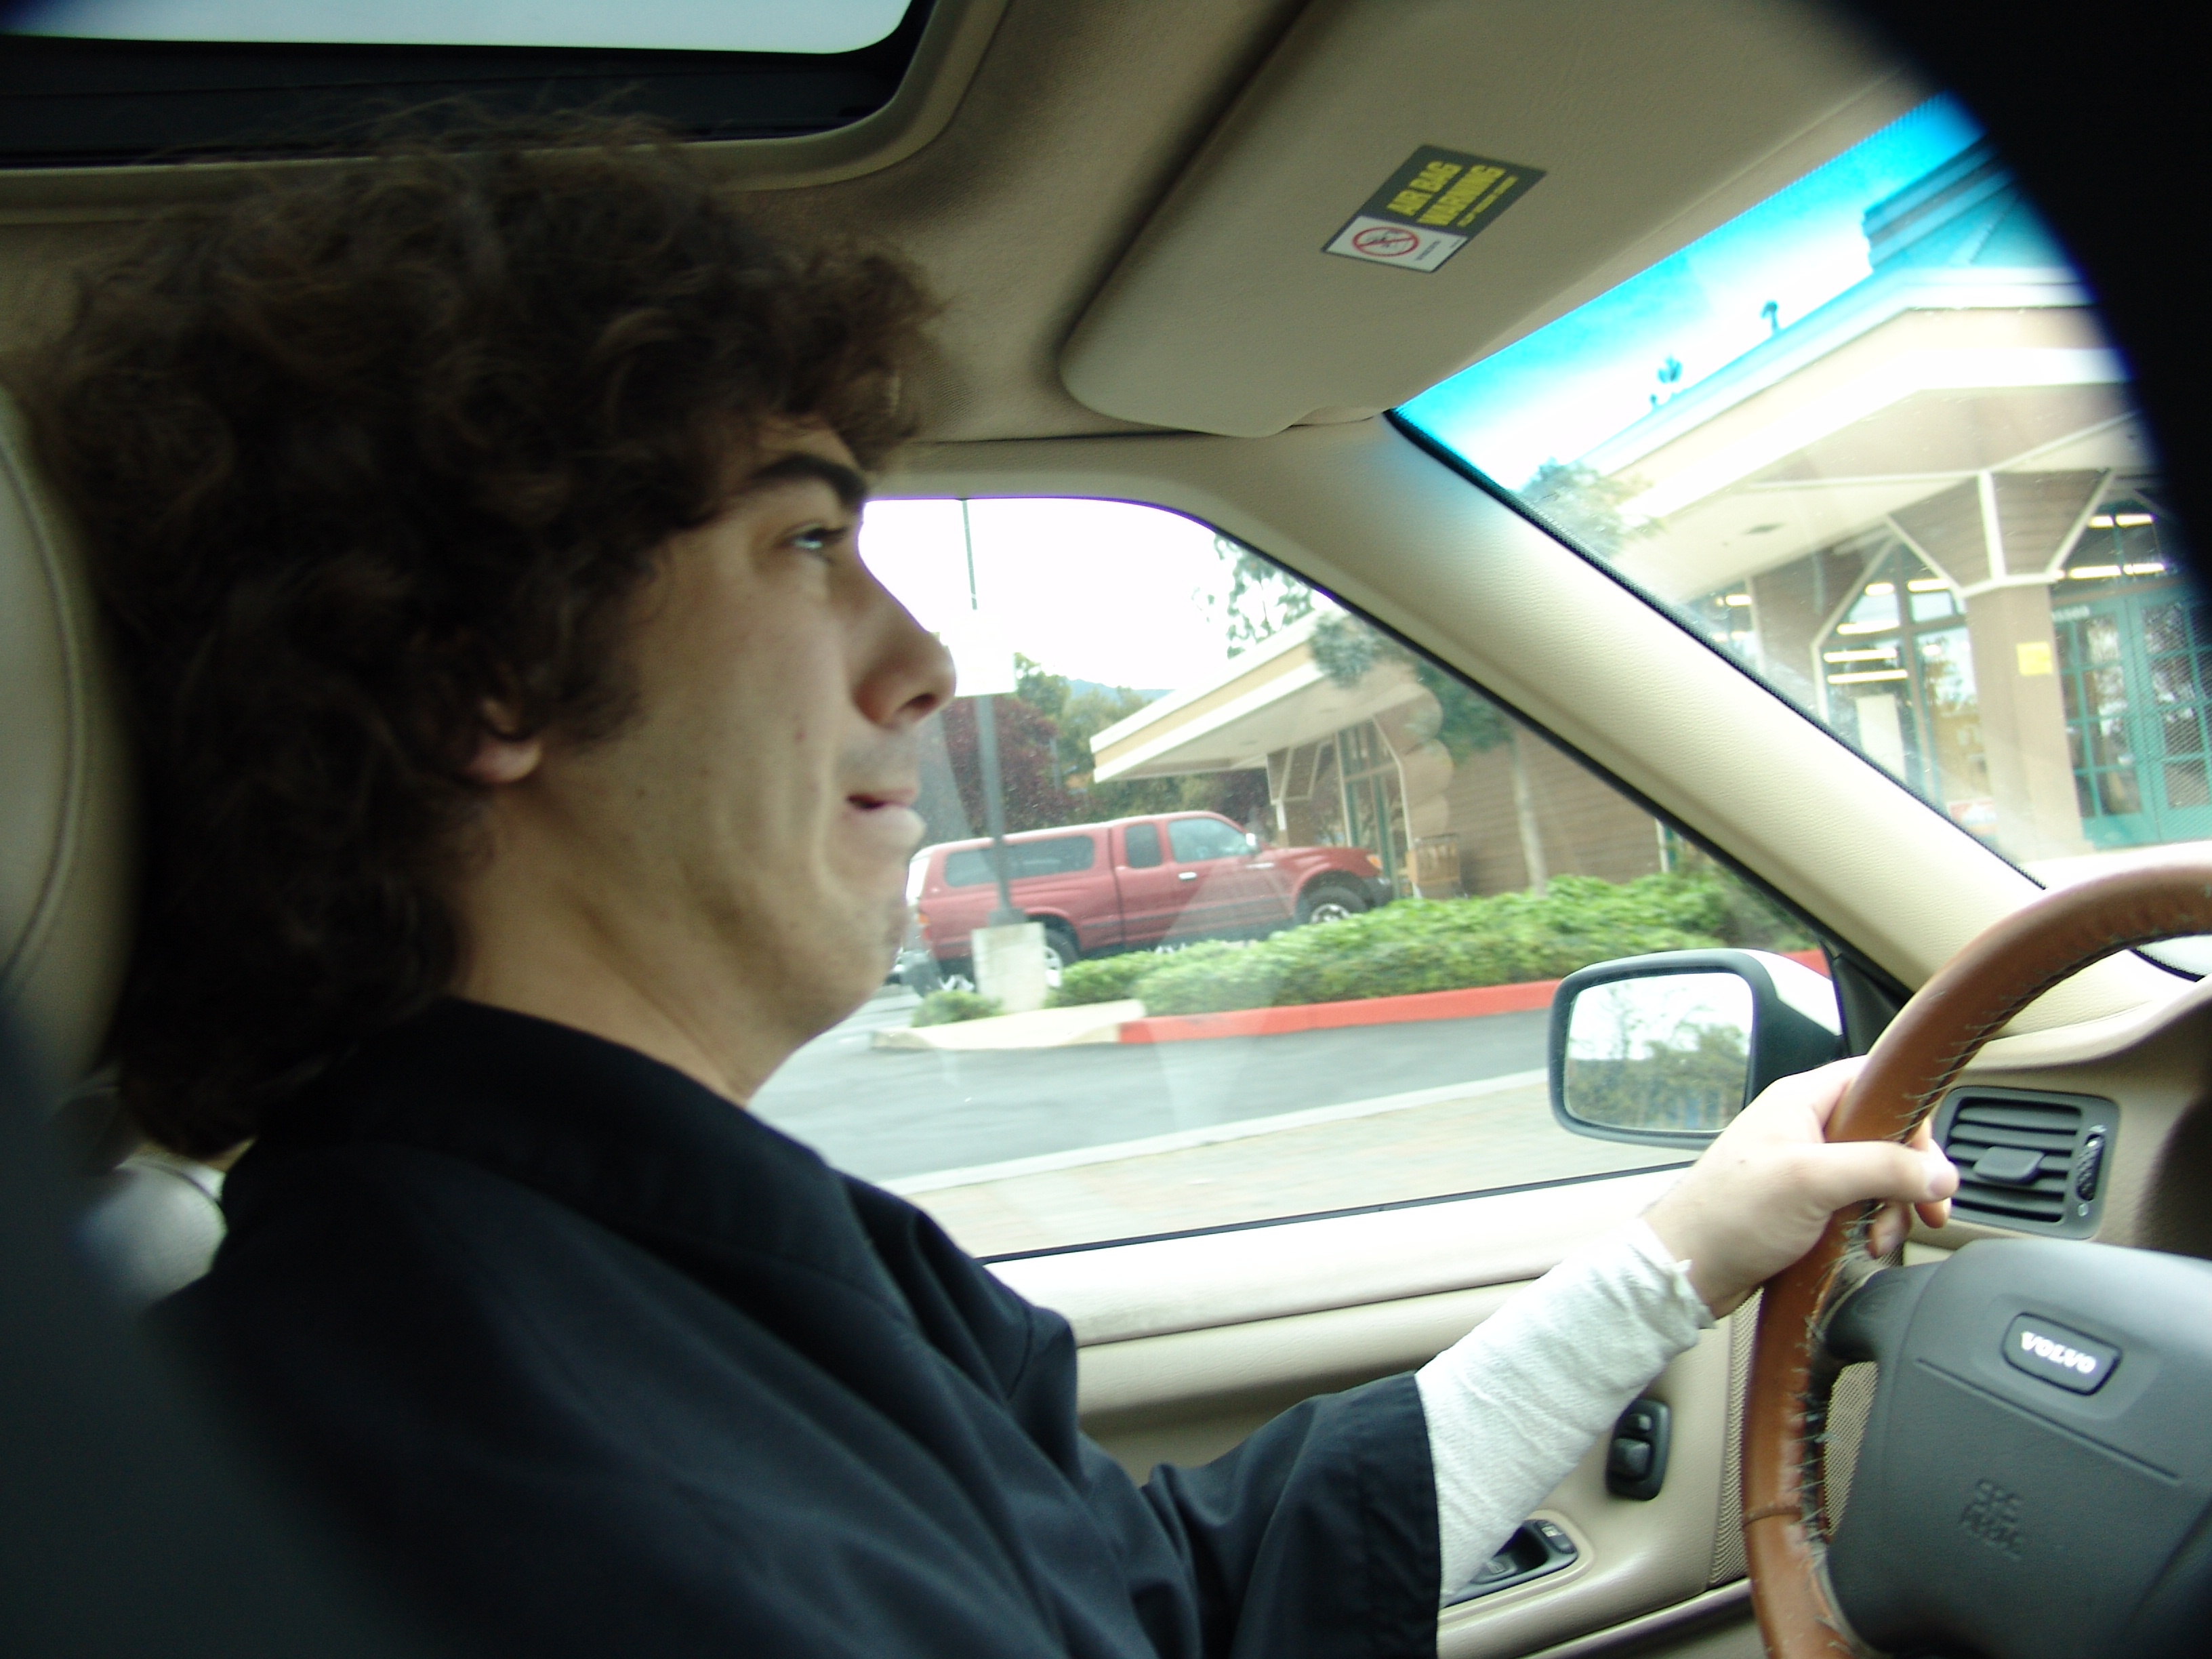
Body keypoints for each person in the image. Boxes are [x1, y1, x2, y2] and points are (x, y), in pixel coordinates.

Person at [12, 125, 1957, 1659]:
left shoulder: (637, 1271)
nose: (925, 660)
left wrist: (1678, 1257)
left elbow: (1172, 1602)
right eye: (805, 542)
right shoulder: (507, 1497)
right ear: (486, 680)